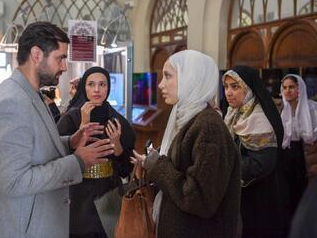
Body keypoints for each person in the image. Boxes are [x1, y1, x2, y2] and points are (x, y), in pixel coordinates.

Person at [0, 22, 115, 238]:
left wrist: (70, 142)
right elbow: (14, 181)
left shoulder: (30, 94)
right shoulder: (13, 101)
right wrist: (78, 162)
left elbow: (34, 147)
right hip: (23, 229)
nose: (64, 66)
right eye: (60, 58)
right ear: (36, 54)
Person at [132, 50, 241, 238]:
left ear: (191, 79)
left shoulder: (208, 127)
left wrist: (157, 164)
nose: (160, 84)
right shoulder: (189, 119)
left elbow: (198, 198)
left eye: (168, 76)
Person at [57, 66, 135, 238]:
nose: (97, 90)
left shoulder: (118, 120)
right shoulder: (70, 118)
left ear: (109, 88)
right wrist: (82, 127)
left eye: (102, 84)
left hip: (108, 192)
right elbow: (58, 160)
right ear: (84, 87)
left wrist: (117, 146)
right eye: (91, 84)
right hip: (77, 195)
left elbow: (126, 169)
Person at [223, 66, 289, 238]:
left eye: (235, 87)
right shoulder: (233, 114)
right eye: (226, 86)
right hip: (240, 197)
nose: (228, 92)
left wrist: (224, 165)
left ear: (248, 89)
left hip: (261, 197)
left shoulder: (260, 118)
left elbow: (261, 165)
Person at [280, 74, 317, 216]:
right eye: (284, 87)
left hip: (307, 157)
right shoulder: (281, 110)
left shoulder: (312, 109)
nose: (287, 91)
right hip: (288, 158)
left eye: (291, 87)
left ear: (299, 89)